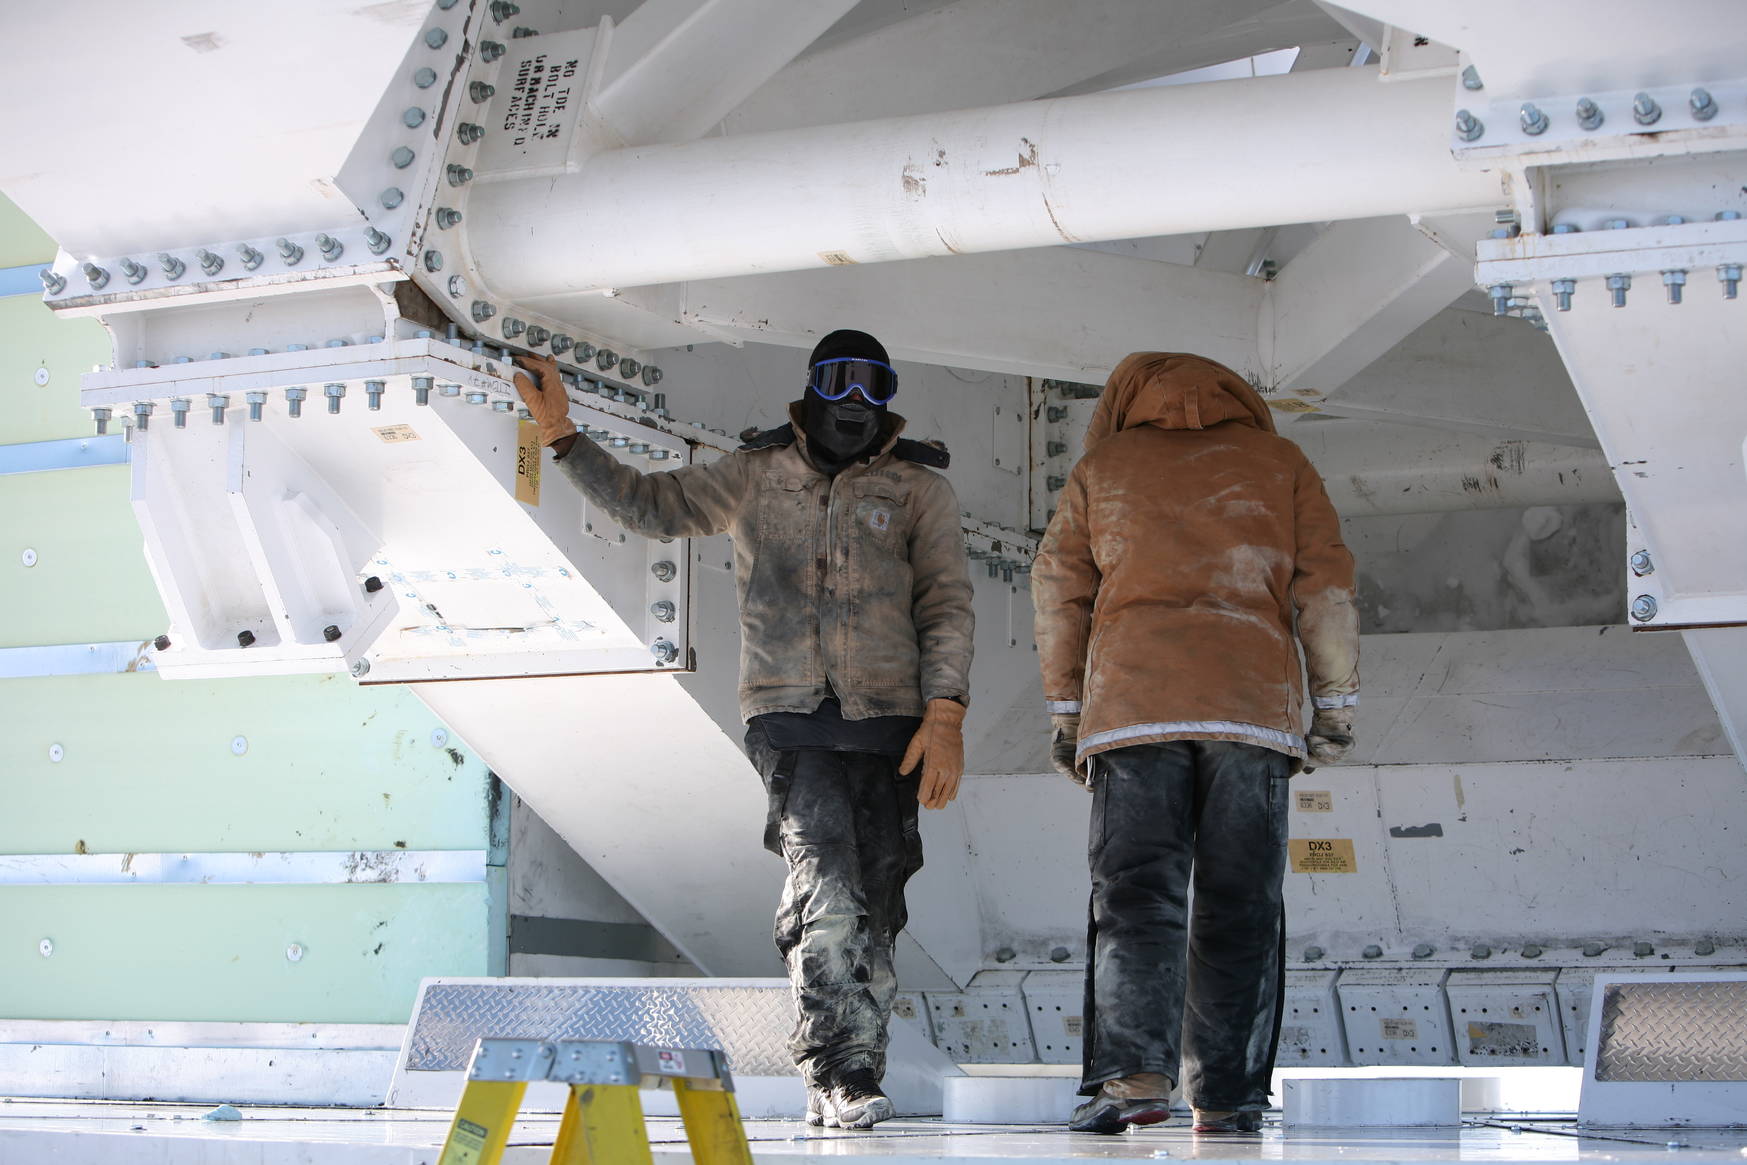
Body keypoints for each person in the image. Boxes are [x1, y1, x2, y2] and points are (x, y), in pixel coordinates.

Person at [513, 329, 974, 1130]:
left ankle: (857, 1068)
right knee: (824, 888)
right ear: (812, 388)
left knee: (878, 906)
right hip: (790, 717)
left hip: (890, 722)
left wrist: (945, 713)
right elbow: (650, 505)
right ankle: (837, 1069)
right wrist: (560, 433)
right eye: (841, 382)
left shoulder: (916, 491)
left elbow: (945, 604)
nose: (855, 402)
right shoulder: (755, 473)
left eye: (873, 386)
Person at [1030, 352, 1359, 1135]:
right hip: (1251, 712)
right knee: (1241, 902)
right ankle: (1229, 1093)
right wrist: (1335, 705)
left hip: (1133, 710)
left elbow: (1059, 586)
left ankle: (1133, 1077)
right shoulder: (1279, 462)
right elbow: (1326, 581)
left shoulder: (1103, 467)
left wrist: (1066, 710)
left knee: (1135, 896)